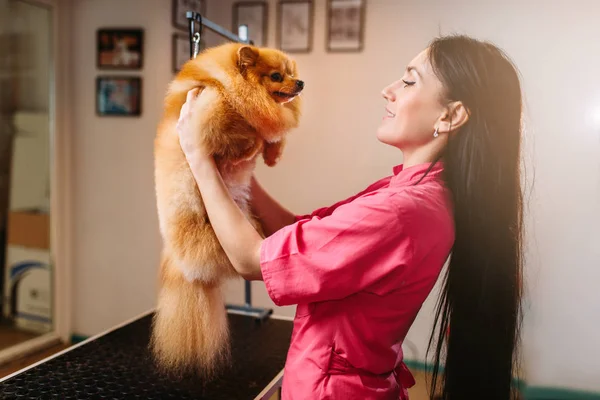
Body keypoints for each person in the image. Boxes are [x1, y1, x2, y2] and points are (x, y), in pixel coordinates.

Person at [177, 34, 524, 400]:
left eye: (408, 81)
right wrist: (239, 170)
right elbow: (304, 237)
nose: (388, 91)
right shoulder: (416, 195)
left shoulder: (403, 211)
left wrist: (198, 156)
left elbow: (252, 260)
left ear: (451, 115)